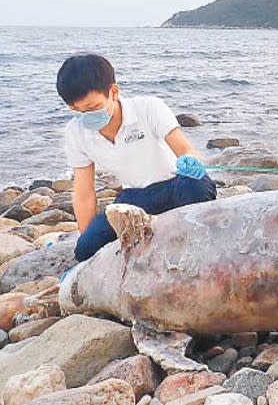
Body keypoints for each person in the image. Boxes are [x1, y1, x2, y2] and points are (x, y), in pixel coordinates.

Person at [57, 53, 216, 261]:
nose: (86, 116)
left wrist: (191, 161)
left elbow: (186, 150)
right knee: (86, 249)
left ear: (113, 92)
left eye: (92, 108)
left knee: (195, 186)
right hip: (136, 197)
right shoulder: (76, 132)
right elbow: (84, 193)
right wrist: (86, 239)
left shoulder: (148, 108)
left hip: (176, 185)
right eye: (77, 110)